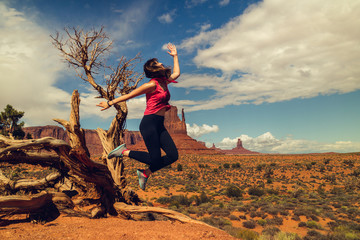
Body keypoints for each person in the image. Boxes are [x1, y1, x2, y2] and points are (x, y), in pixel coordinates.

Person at [97, 43, 180, 190]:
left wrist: (175, 56)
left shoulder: (164, 82)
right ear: (154, 69)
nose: (161, 63)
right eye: (157, 63)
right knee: (154, 158)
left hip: (159, 125)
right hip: (149, 124)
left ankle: (145, 173)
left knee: (173, 155)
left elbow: (177, 74)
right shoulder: (151, 85)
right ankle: (123, 151)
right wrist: (110, 103)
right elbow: (129, 95)